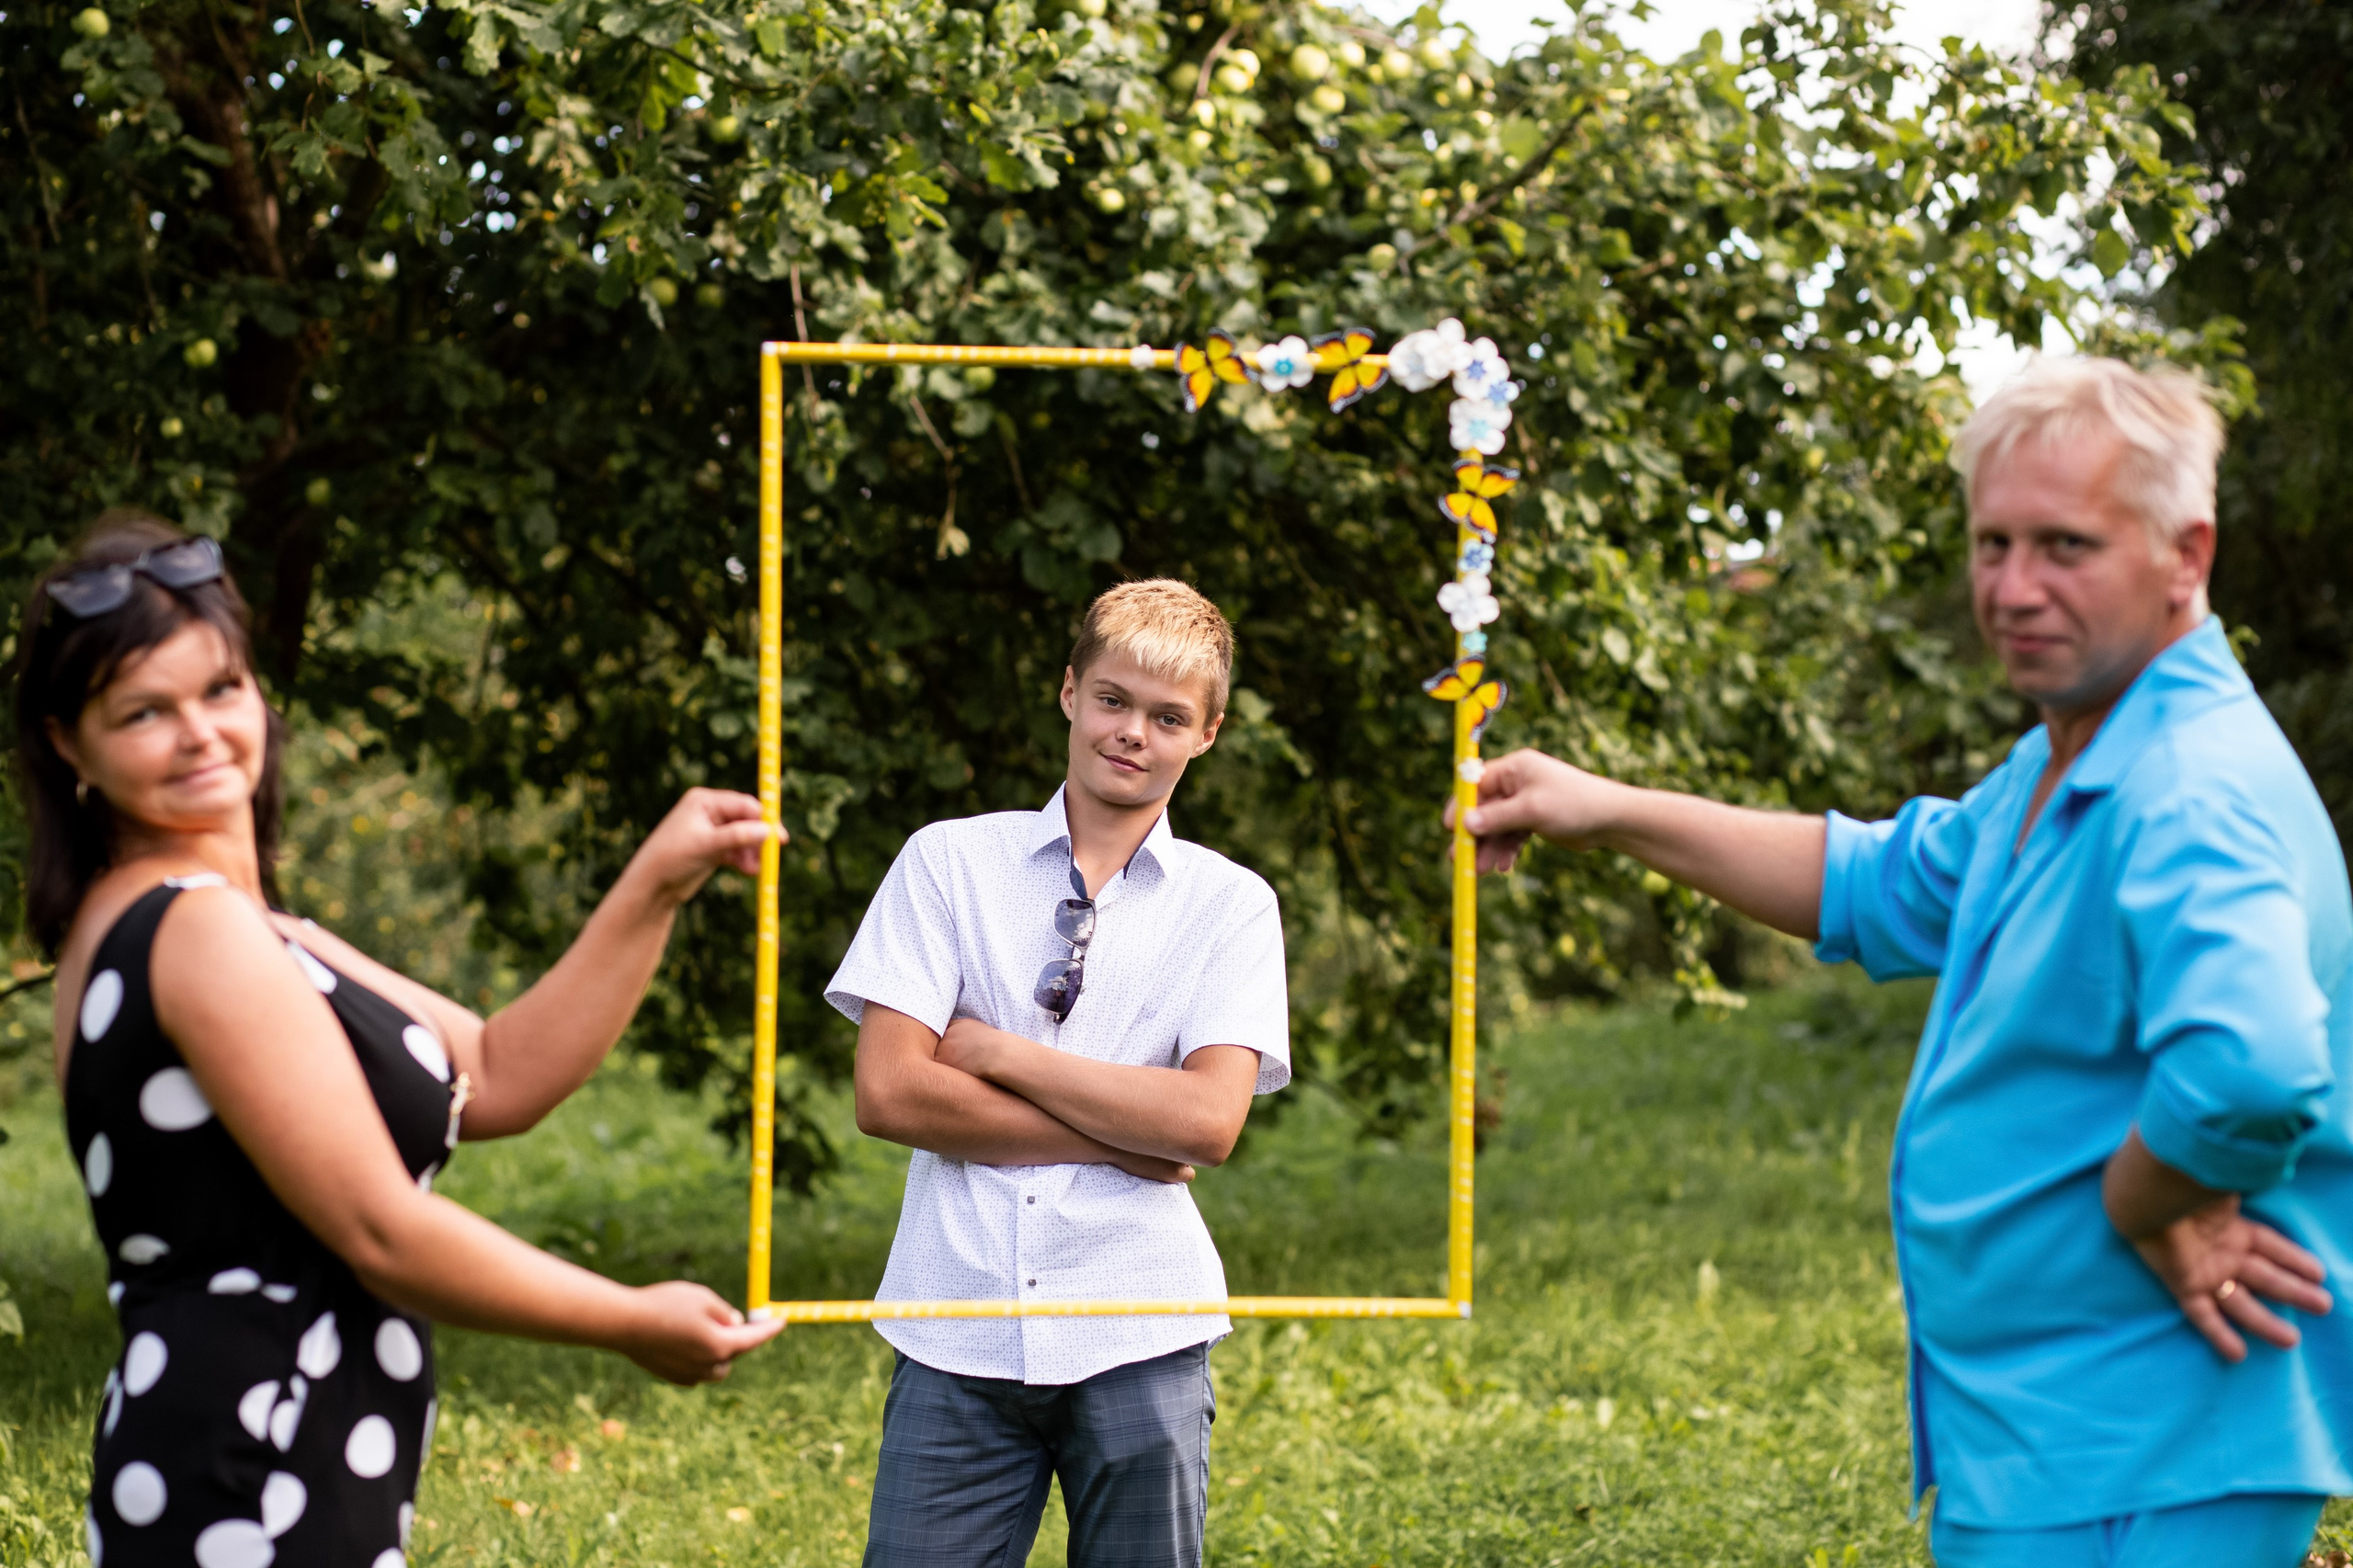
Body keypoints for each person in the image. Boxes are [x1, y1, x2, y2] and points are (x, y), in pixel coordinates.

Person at [1454, 358, 2353, 1567]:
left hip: (2142, 1440)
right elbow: (1877, 882)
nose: (2014, 588)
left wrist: (2155, 1199)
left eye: (2065, 547)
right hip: (2057, 1430)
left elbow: (2248, 1070)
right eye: (1993, 543)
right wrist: (1604, 806)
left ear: (2184, 554)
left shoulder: (2185, 788)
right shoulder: (2079, 757)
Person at [19, 512, 786, 1568]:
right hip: (252, 1458)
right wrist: (627, 1318)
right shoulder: (191, 927)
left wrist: (656, 879)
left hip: (270, 1444)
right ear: (70, 742)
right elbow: (381, 1229)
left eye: (220, 688)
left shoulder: (240, 925)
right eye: (144, 710)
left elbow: (501, 1072)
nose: (200, 731)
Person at [824, 578, 1290, 1568]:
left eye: (1168, 716)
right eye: (1114, 699)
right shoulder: (946, 861)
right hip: (957, 1320)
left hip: (1140, 1323)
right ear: (1069, 691)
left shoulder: (1232, 903)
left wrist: (999, 1053)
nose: (1133, 732)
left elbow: (1207, 1123)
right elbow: (890, 1092)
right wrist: (1126, 1133)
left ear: (1206, 733)